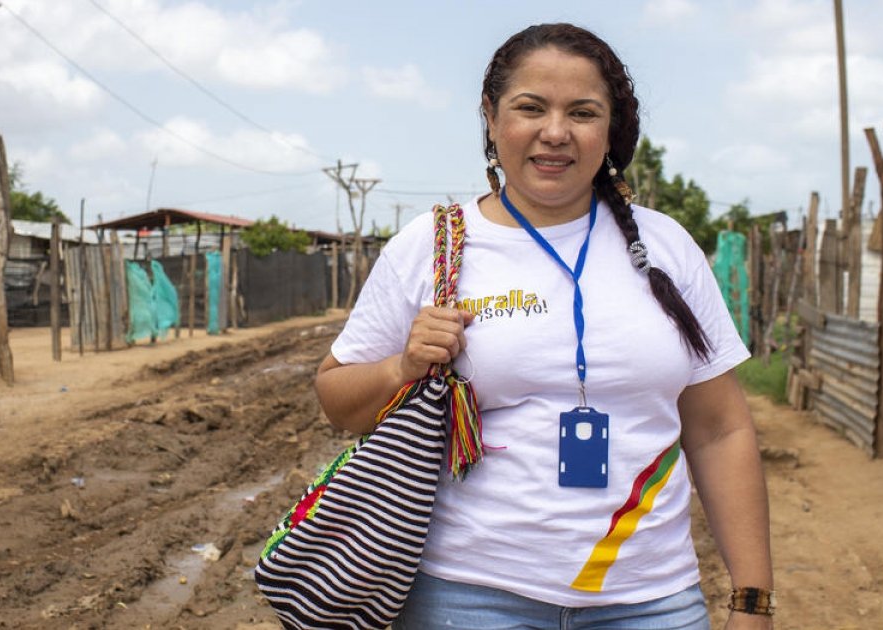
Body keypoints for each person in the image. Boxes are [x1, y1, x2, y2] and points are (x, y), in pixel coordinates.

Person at [314, 23, 774, 630]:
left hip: (651, 599)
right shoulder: (431, 245)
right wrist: (402, 367)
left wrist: (752, 601)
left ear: (609, 129)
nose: (554, 132)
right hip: (467, 598)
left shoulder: (667, 247)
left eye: (582, 112)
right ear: (490, 116)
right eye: (530, 108)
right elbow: (338, 402)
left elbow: (719, 431)